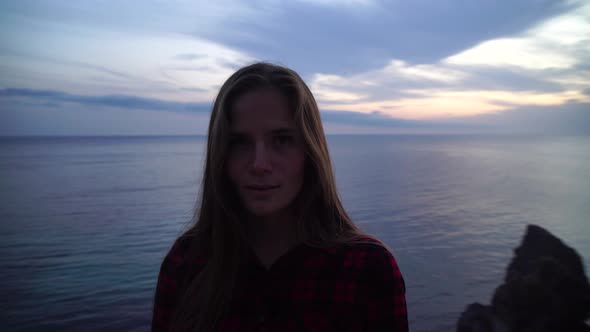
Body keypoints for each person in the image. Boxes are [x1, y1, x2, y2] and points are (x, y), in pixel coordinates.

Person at [151, 62, 408, 332]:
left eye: (282, 140)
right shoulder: (186, 263)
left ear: (309, 152)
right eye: (240, 142)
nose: (259, 163)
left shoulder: (365, 268)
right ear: (221, 155)